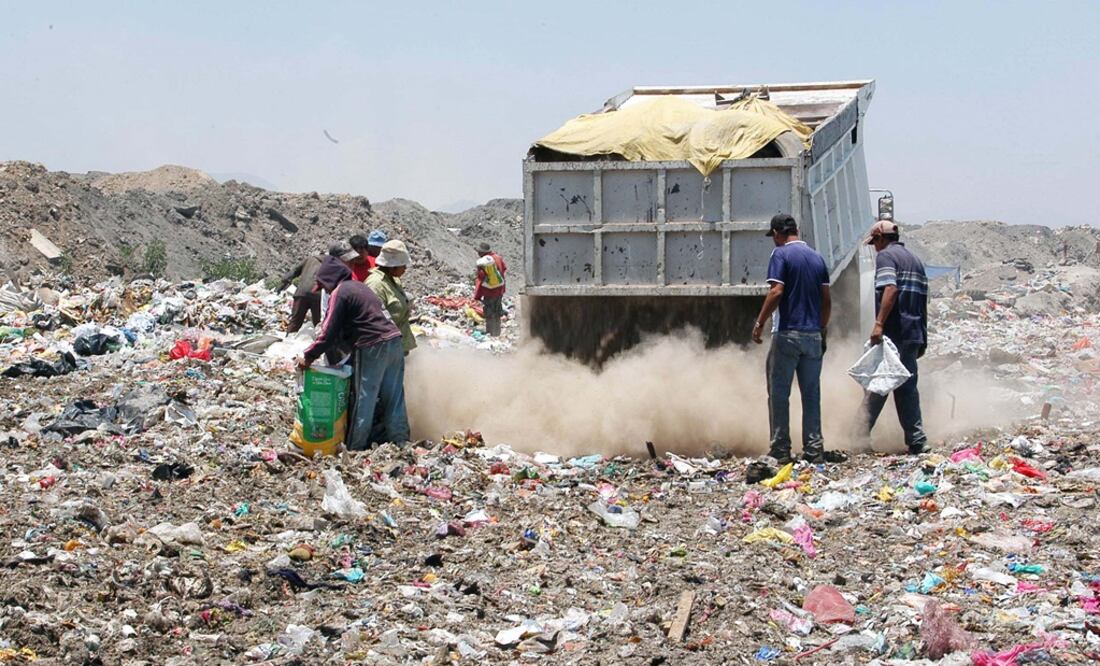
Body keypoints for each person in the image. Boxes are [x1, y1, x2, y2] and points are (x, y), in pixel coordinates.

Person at [752, 214, 846, 465]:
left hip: (788, 334)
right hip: (813, 335)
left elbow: (776, 291)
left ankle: (781, 449)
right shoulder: (817, 258)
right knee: (811, 394)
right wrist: (822, 329)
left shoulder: (780, 255)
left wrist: (760, 322)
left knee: (779, 393)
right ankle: (814, 449)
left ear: (776, 233)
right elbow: (826, 299)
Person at [297, 258, 409, 449]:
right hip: (394, 340)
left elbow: (328, 331)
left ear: (331, 279)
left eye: (324, 286)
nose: (326, 291)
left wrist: (308, 357)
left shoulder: (340, 293)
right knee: (394, 396)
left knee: (364, 398)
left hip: (373, 346)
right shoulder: (360, 287)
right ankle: (401, 441)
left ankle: (356, 448)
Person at [859, 219, 929, 454]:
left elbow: (890, 288)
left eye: (874, 243)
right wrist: (923, 337)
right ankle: (917, 440)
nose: (874, 249)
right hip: (913, 333)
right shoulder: (915, 260)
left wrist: (879, 324)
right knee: (907, 387)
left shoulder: (886, 257)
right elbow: (922, 301)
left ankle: (857, 436)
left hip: (895, 333)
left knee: (879, 384)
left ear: (880, 238)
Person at [366, 240, 416, 354]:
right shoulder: (376, 284)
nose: (405, 269)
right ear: (392, 267)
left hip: (397, 345)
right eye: (402, 265)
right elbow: (374, 321)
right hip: (384, 349)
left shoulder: (394, 280)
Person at [277, 251, 325, 333]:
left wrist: (283, 283)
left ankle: (288, 341)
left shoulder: (309, 259)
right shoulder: (330, 263)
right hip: (317, 294)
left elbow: (294, 271)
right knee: (318, 323)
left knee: (295, 321)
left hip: (301, 293)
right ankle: (318, 342)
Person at [474, 242, 507, 337]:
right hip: (500, 290)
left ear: (482, 252)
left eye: (479, 252)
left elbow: (481, 279)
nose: (478, 254)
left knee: (489, 313)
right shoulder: (498, 258)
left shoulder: (483, 262)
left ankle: (490, 333)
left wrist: (477, 296)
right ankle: (497, 333)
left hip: (489, 291)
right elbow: (504, 269)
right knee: (497, 311)